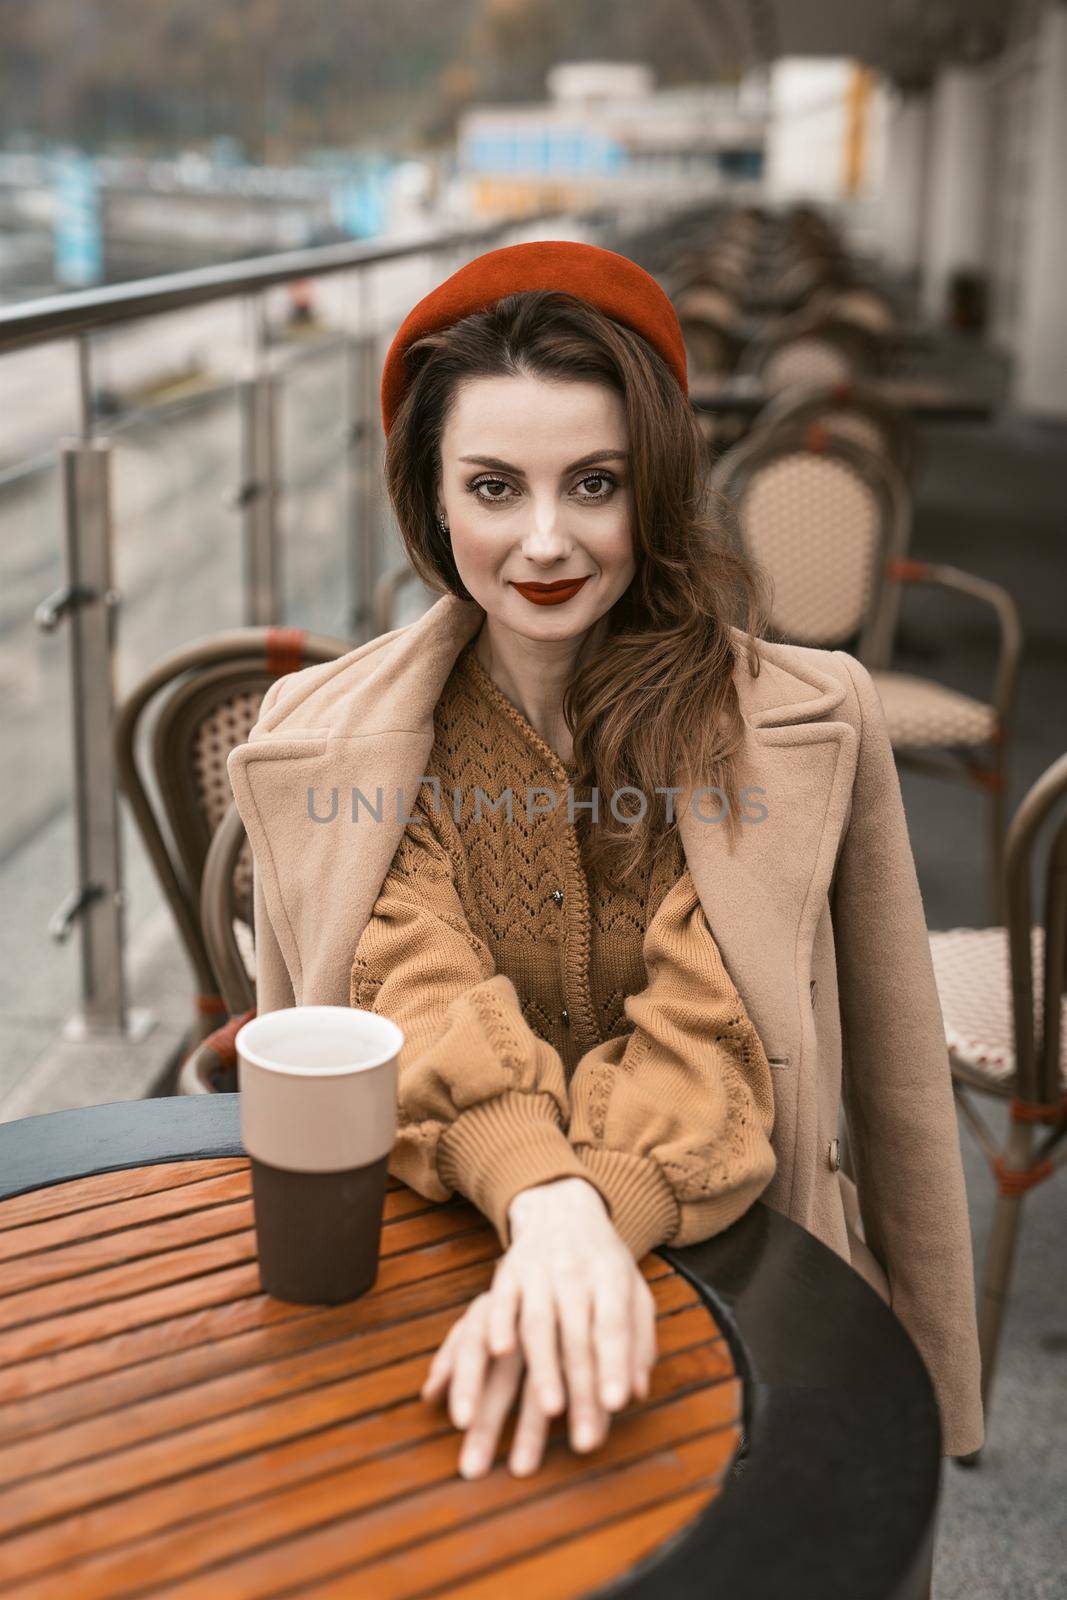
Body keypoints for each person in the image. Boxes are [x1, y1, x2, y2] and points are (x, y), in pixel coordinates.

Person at [227, 240, 984, 1485]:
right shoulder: (327, 736)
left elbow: (811, 1058)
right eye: (490, 488)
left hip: (732, 1240)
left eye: (593, 483)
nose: (542, 541)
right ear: (429, 499)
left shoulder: (800, 719)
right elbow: (404, 991)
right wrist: (545, 1200)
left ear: (660, 485)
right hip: (433, 1241)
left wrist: (928, 1377)